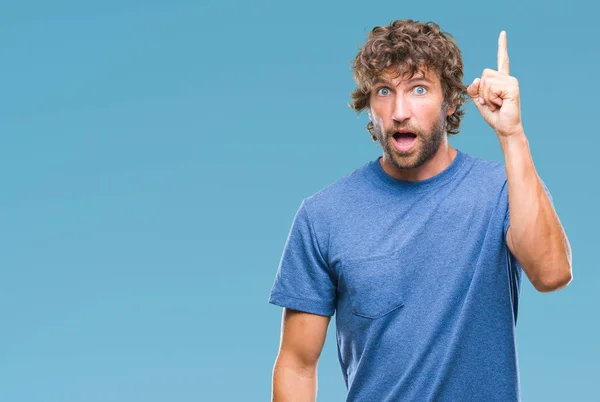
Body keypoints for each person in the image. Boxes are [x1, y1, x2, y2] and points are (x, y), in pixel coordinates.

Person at [268, 19, 572, 401]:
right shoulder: (323, 215)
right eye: (383, 91)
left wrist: (511, 135)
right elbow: (297, 363)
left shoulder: (503, 189)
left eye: (418, 89)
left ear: (450, 102)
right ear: (369, 106)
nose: (399, 111)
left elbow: (552, 273)